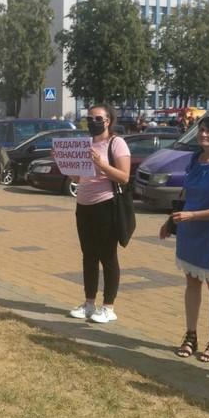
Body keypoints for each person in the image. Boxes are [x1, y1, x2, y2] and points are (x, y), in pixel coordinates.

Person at [159, 114, 209, 363]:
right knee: (192, 281)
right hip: (189, 228)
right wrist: (172, 220)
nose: (204, 134)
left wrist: (193, 215)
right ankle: (191, 335)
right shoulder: (196, 158)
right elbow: (188, 195)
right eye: (201, 129)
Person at [67, 104, 131, 324]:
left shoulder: (116, 143)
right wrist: (65, 162)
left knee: (108, 256)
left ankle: (108, 307)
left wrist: (101, 163)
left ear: (108, 121)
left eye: (97, 119)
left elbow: (124, 177)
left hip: (106, 205)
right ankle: (89, 303)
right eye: (89, 118)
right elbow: (78, 177)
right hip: (84, 205)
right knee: (89, 256)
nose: (92, 122)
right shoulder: (86, 143)